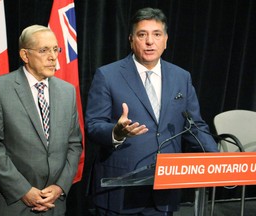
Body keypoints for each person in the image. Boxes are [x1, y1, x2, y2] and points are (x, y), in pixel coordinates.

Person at [85, 7, 219, 216]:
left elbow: (195, 126)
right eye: (142, 34)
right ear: (131, 39)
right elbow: (93, 125)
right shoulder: (108, 75)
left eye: (156, 34)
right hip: (120, 189)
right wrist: (117, 132)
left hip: (165, 190)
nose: (150, 41)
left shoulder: (181, 77)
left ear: (165, 40)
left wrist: (217, 161)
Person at [0, 25, 82, 216]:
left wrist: (60, 187)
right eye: (44, 50)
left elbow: (74, 145)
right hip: (11, 204)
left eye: (55, 49)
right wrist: (23, 190)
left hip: (54, 205)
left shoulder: (67, 91)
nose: (53, 56)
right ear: (25, 55)